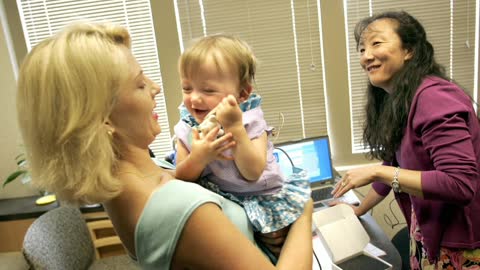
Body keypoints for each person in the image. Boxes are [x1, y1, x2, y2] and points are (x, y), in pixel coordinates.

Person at [16, 22, 313, 269]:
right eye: (139, 84)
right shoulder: (180, 211)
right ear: (102, 118)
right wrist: (303, 212)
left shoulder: (132, 176)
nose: (156, 87)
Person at [332, 11, 480, 269]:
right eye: (361, 49)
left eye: (376, 44)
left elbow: (460, 183)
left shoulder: (434, 97)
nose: (366, 56)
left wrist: (378, 173)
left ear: (409, 50)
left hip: (462, 242)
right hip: (427, 227)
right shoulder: (403, 99)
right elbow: (392, 162)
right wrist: (359, 210)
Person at [173, 34, 311, 236]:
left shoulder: (249, 121)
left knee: (278, 248)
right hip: (222, 205)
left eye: (208, 90)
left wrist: (235, 128)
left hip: (262, 198)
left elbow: (253, 171)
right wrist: (199, 157)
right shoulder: (187, 127)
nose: (194, 98)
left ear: (242, 95)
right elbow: (181, 176)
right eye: (187, 88)